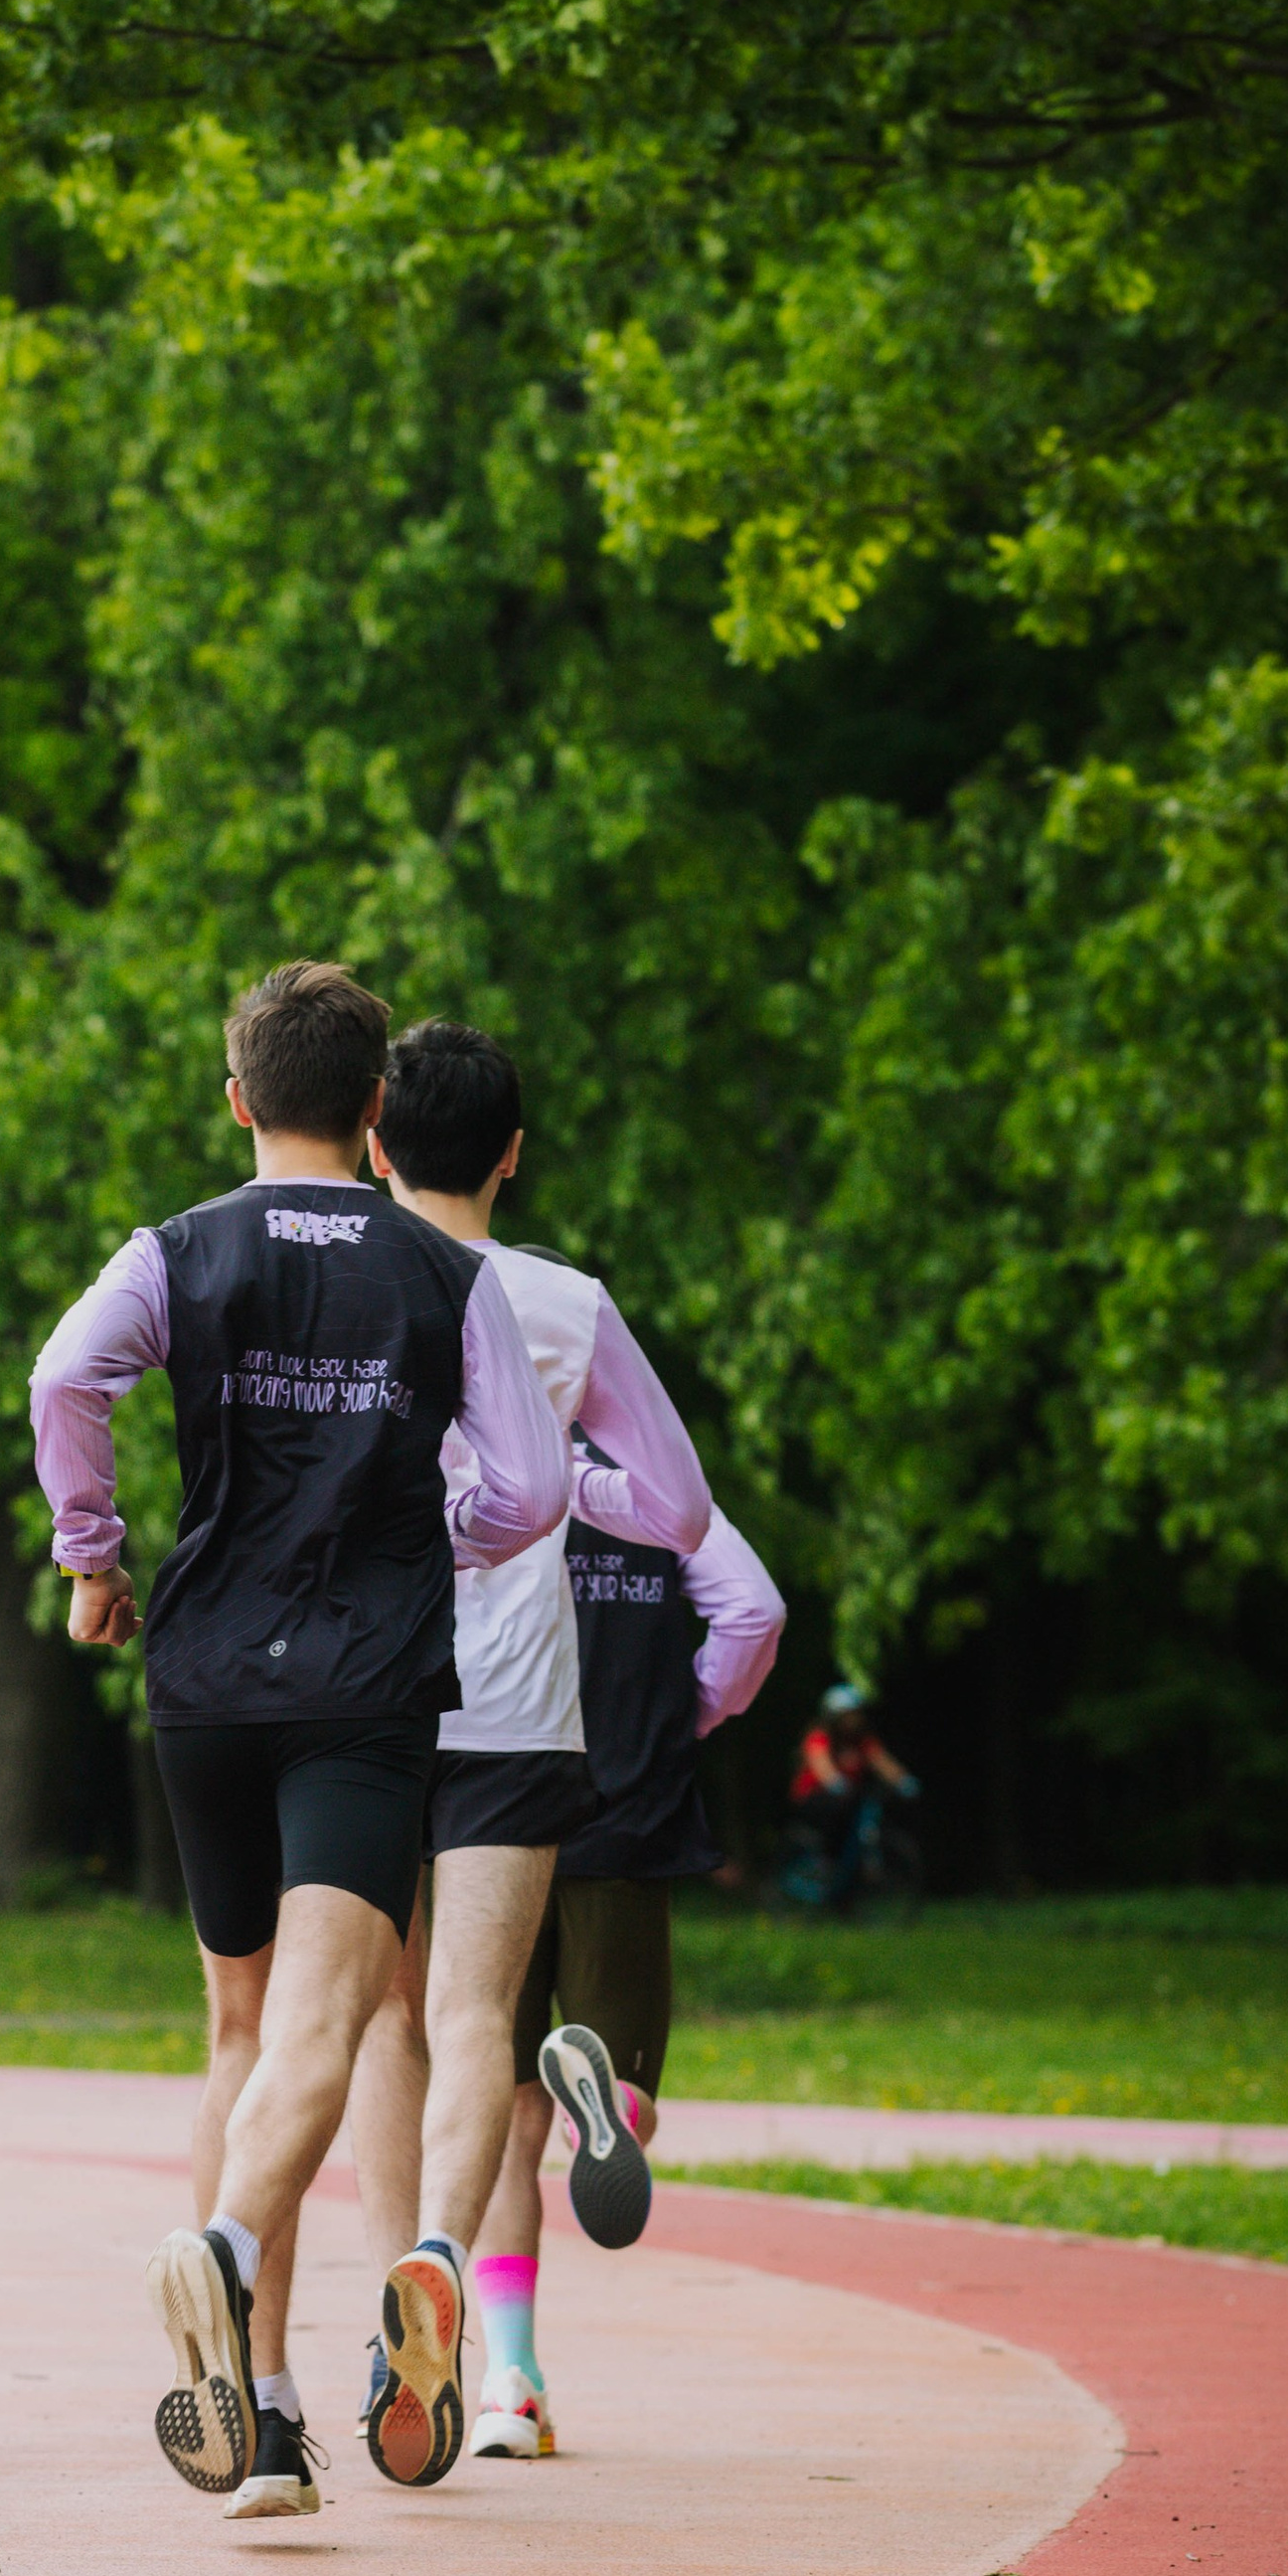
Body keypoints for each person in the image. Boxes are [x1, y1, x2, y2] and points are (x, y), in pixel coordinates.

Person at [30, 959, 567, 2525]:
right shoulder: (445, 1275)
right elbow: (528, 1494)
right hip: (363, 1686)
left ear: (238, 1095)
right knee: (329, 2027)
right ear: (379, 1109)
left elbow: (68, 1374)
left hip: (204, 1675)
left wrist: (94, 1551)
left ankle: (260, 2418)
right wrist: (438, 1519)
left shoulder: (174, 1250)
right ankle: (225, 2247)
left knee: (239, 2030)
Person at [338, 1021, 714, 2464]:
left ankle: (397, 2326)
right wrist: (562, 1496)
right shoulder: (565, 1304)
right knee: (477, 2035)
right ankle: (470, 2303)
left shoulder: (342, 1277)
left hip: (365, 1689)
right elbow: (677, 1513)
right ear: (512, 1153)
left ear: (376, 1140)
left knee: (384, 2015)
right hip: (518, 1702)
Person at [464, 1473, 785, 2454]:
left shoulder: (470, 1474)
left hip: (489, 1810)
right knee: (619, 2076)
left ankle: (508, 2386)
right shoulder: (656, 1491)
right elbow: (753, 1610)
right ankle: (603, 2110)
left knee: (497, 2116)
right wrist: (683, 1717)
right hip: (625, 1806)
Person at [790, 1683, 918, 1909]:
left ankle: (846, 1889)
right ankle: (824, 1862)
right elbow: (821, 1764)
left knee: (859, 1826)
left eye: (856, 1714)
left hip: (847, 1798)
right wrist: (834, 1782)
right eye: (848, 1715)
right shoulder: (820, 1737)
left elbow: (882, 1761)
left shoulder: (862, 1741)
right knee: (837, 1813)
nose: (854, 1720)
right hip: (816, 1798)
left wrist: (902, 1780)